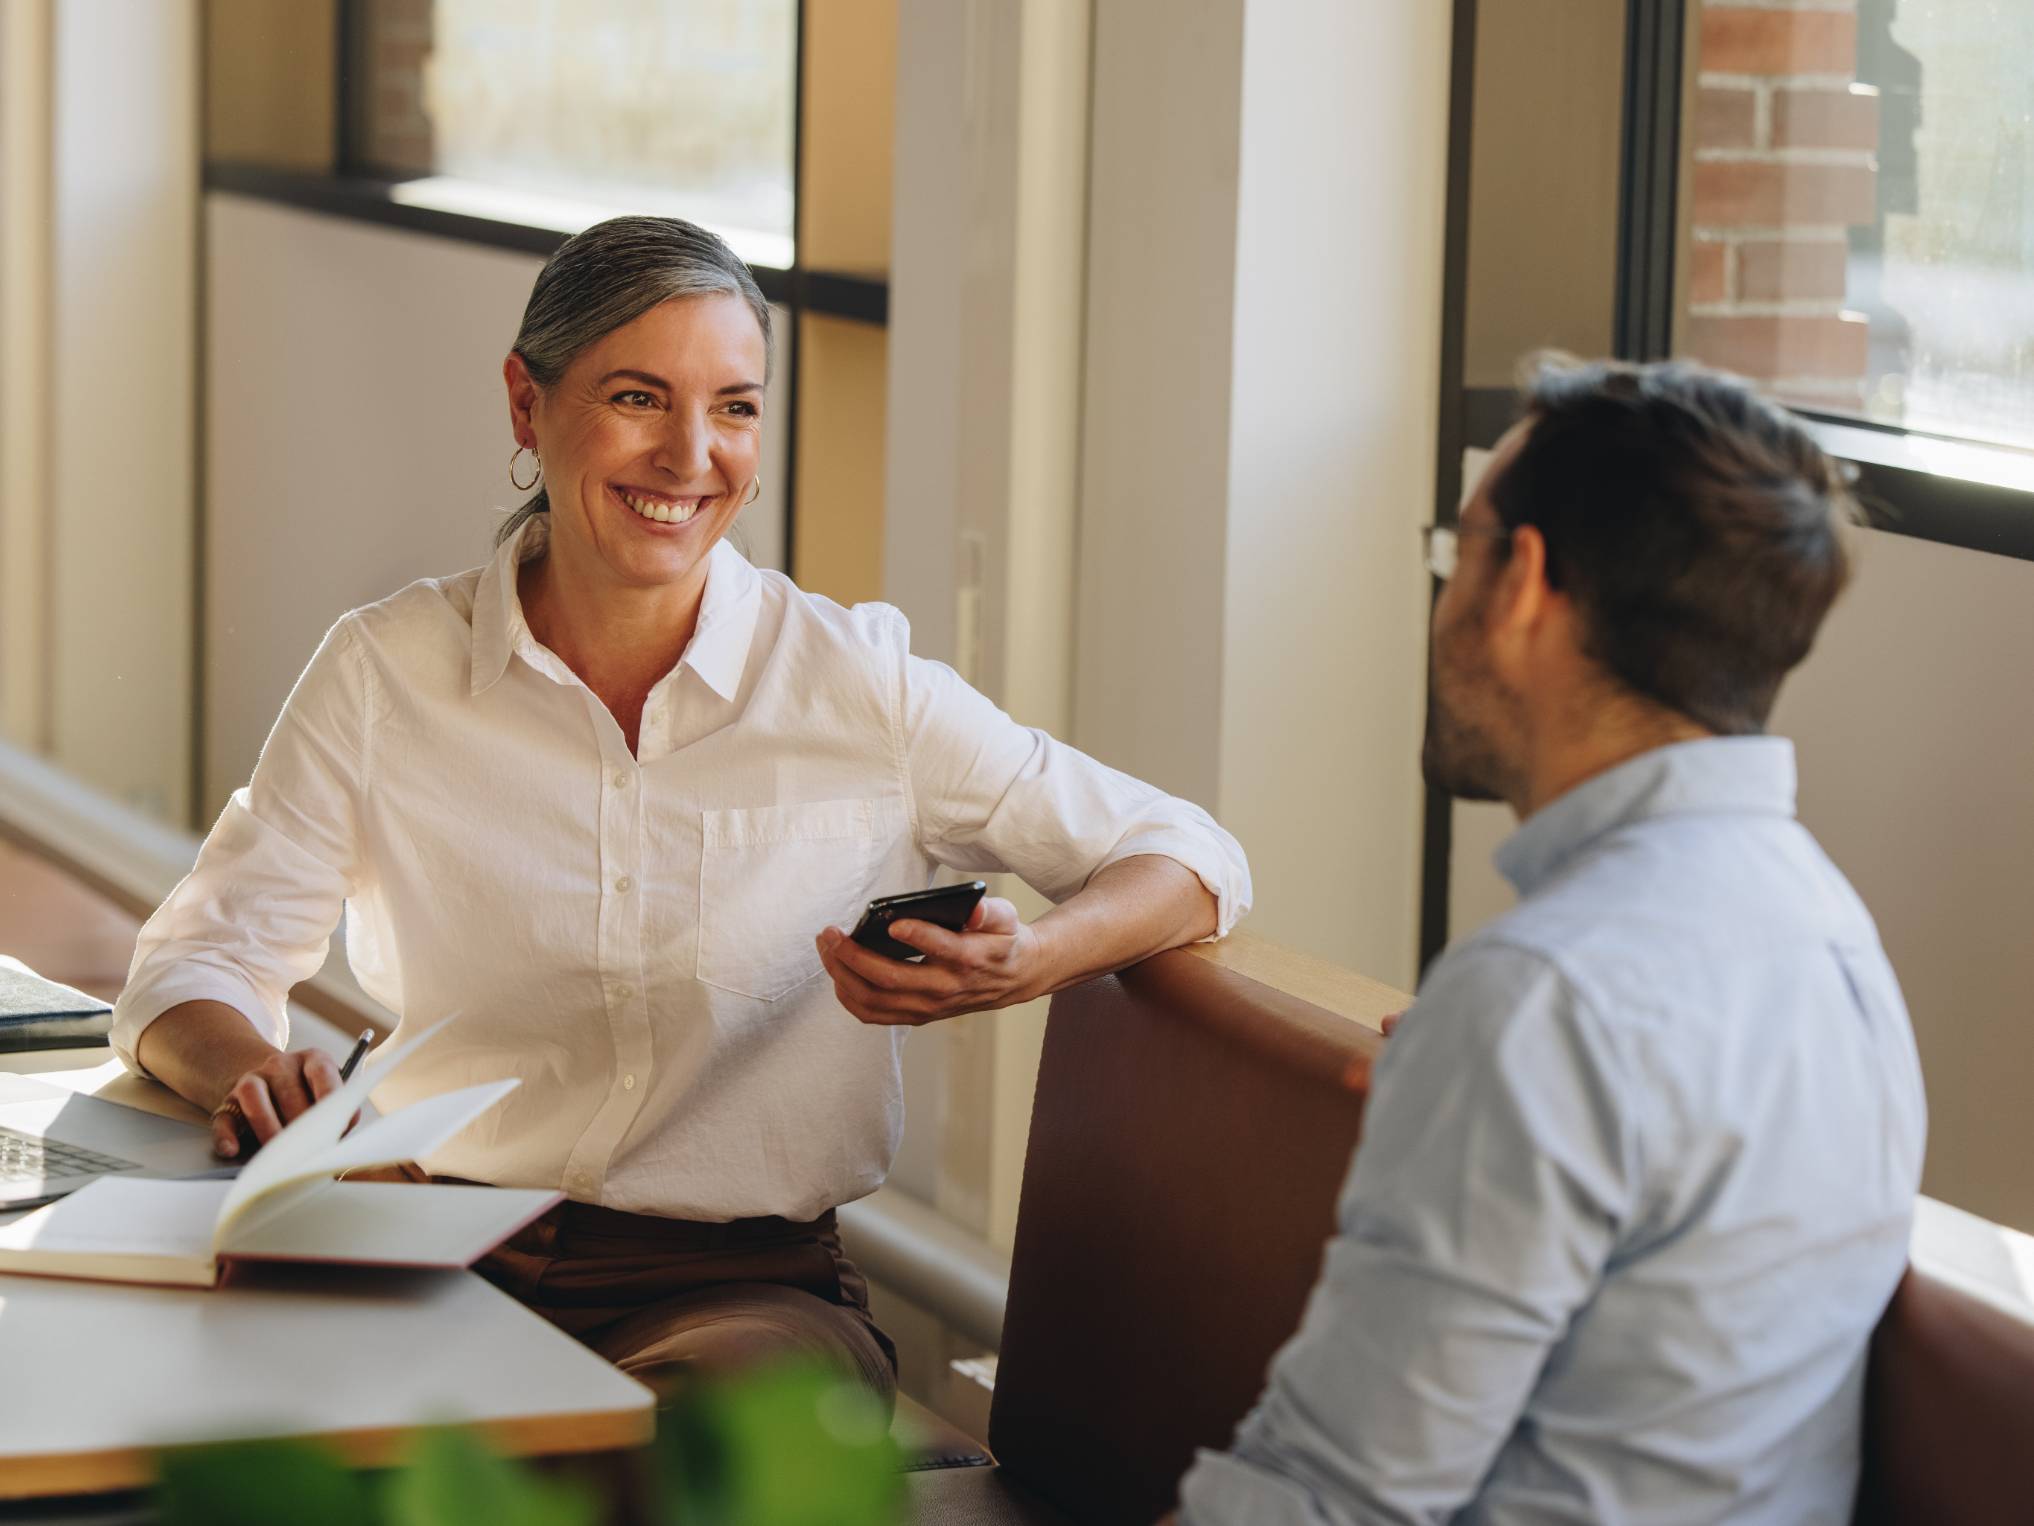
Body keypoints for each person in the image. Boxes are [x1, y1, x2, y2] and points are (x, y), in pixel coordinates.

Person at [110, 215, 1250, 1407]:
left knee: (680, 1445)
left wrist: (1034, 960)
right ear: (526, 403)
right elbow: (193, 961)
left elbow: (1189, 853)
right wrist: (257, 1074)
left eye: (735, 408)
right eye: (638, 397)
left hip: (742, 1294)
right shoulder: (383, 673)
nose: (690, 454)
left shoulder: (857, 686)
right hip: (427, 1251)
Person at [1175, 357, 1924, 1524]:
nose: (1442, 604)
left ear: (1521, 583)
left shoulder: (1542, 998)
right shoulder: (1836, 941)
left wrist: (1489, 1052)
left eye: (1457, 552)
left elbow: (1321, 1502)